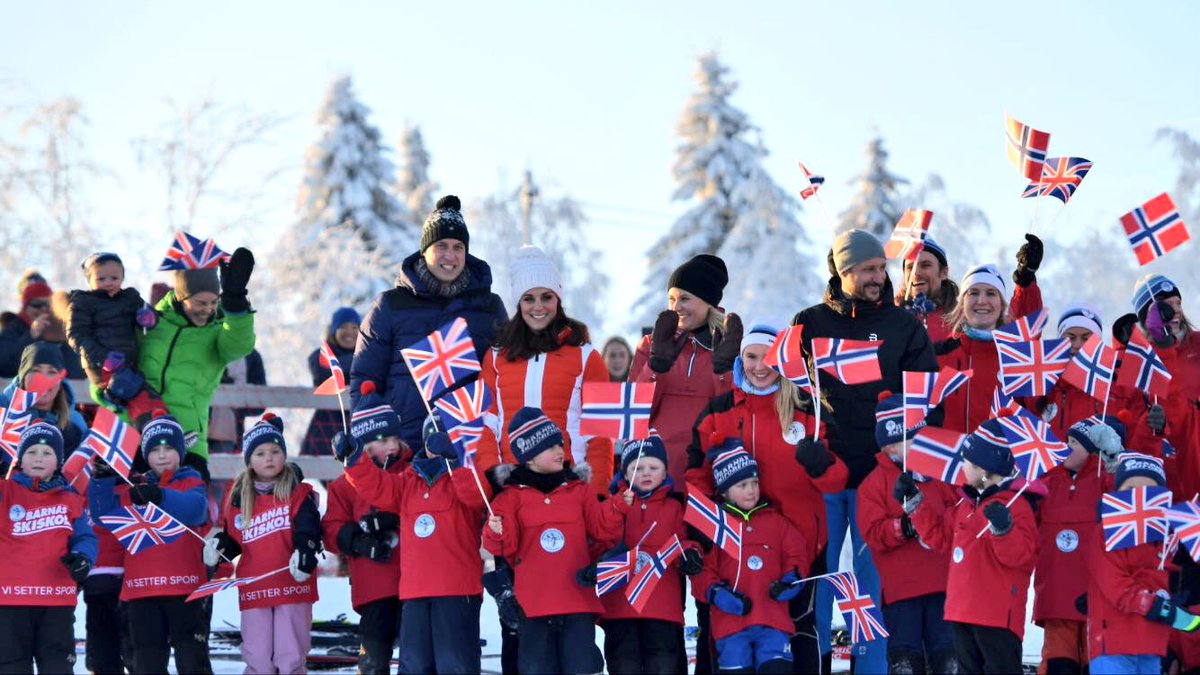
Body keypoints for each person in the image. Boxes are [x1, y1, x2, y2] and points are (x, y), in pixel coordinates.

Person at [792, 229, 937, 672]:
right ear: (843, 270)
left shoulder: (903, 325)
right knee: (819, 578)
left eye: (881, 268)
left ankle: (870, 665)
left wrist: (909, 454)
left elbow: (924, 397)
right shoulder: (810, 322)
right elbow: (792, 394)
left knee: (871, 585)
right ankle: (814, 662)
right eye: (868, 269)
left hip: (879, 477)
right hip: (826, 473)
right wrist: (805, 440)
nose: (879, 277)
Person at [686, 323, 847, 673]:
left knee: (801, 633)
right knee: (727, 633)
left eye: (768, 358)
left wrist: (821, 466)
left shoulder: (807, 408)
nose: (760, 366)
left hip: (799, 547)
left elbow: (836, 481)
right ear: (741, 360)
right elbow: (696, 473)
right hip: (735, 549)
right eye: (751, 357)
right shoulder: (719, 410)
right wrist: (702, 527)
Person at [336, 388, 491, 674]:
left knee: (454, 665)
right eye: (434, 438)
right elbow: (378, 487)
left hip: (457, 590)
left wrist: (456, 460)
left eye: (447, 437)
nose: (438, 444)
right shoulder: (408, 481)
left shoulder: (467, 476)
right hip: (415, 592)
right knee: (415, 666)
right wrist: (354, 460)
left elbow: (475, 498)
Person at [350, 195, 507, 456]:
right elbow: (365, 381)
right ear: (425, 250)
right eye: (441, 246)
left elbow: (507, 376)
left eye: (458, 247)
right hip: (404, 451)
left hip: (468, 447)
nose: (450, 255)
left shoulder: (489, 307)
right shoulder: (390, 306)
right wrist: (374, 440)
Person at [482, 407, 624, 674]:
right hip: (533, 606)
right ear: (529, 457)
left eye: (560, 443)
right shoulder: (510, 497)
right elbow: (504, 547)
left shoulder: (580, 491)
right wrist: (495, 530)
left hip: (576, 602)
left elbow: (602, 530)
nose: (560, 450)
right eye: (550, 447)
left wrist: (616, 507)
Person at [899, 418, 1039, 674]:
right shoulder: (965, 505)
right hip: (962, 611)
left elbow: (1021, 557)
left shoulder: (1016, 506)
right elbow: (940, 538)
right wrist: (915, 505)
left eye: (968, 462)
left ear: (985, 469)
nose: (962, 466)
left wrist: (1003, 530)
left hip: (996, 616)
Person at [476, 245, 613, 494]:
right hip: (513, 485)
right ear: (519, 303)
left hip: (570, 484)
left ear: (558, 299)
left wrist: (597, 494)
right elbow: (485, 423)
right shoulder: (496, 356)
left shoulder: (587, 355)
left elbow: (601, 434)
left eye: (546, 297)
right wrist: (492, 475)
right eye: (529, 298)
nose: (538, 307)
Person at [88, 412, 211, 674]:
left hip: (185, 590)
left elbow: (197, 510)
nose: (162, 455)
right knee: (146, 664)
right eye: (155, 449)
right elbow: (104, 516)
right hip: (141, 593)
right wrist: (101, 479)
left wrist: (160, 496)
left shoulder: (191, 480)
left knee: (193, 662)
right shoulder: (135, 486)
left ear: (181, 450)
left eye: (168, 448)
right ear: (145, 455)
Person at [204, 414, 321, 674]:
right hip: (255, 587)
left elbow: (308, 529)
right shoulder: (238, 496)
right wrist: (219, 549)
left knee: (289, 655)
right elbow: (234, 539)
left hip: (291, 585)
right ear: (249, 460)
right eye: (260, 453)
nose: (268, 458)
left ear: (284, 454)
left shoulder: (297, 492)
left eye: (275, 451)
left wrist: (305, 551)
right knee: (258, 657)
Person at [856, 392, 958, 674]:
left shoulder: (939, 475)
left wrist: (936, 521)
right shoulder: (874, 485)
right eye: (911, 441)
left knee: (948, 659)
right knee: (905, 663)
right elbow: (873, 533)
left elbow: (958, 510)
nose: (919, 447)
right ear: (890, 447)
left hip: (943, 584)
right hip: (901, 590)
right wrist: (903, 527)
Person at [137, 249, 257, 481]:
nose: (208, 309)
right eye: (201, 302)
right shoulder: (152, 323)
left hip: (187, 437)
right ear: (181, 297)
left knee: (188, 508)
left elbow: (240, 344)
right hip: (139, 432)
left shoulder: (217, 332)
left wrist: (235, 300)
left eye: (214, 302)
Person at [693, 440, 810, 674]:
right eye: (743, 484)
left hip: (773, 621)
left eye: (755, 483)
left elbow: (796, 554)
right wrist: (718, 594)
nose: (751, 490)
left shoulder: (776, 521)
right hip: (731, 625)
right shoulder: (716, 526)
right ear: (724, 491)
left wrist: (790, 581)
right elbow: (702, 571)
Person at [587, 437, 699, 674]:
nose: (646, 473)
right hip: (620, 603)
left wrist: (690, 554)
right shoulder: (612, 504)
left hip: (661, 604)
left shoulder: (674, 508)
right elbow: (601, 538)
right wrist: (617, 507)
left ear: (665, 471)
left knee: (663, 663)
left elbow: (683, 542)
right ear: (625, 475)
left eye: (654, 467)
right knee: (623, 662)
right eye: (637, 468)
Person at [629, 254, 738, 492]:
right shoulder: (650, 345)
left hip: (706, 474)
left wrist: (724, 371)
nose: (676, 307)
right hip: (655, 475)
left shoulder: (728, 345)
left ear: (708, 302)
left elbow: (732, 418)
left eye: (685, 298)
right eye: (671, 299)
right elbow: (635, 415)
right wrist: (655, 367)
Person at [1085, 453, 1200, 674]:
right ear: (1117, 492)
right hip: (1114, 641)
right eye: (1130, 489)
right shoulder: (1107, 531)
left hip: (1152, 643)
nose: (1139, 496)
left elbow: (1165, 581)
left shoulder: (1163, 540)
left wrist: (1173, 603)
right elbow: (1113, 583)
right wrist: (1152, 604)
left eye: (1148, 490)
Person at [322, 383, 408, 674]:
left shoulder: (410, 473)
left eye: (395, 437)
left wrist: (393, 519)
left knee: (414, 655)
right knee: (373, 658)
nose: (393, 445)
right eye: (384, 439)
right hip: (374, 586)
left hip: (413, 583)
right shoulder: (344, 485)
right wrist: (357, 540)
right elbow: (331, 530)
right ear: (365, 443)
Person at [0, 423, 97, 674]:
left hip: (55, 602)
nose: (39, 459)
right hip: (9, 601)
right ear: (20, 459)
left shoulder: (70, 498)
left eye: (47, 453)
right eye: (31, 452)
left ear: (59, 460)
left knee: (57, 667)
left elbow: (86, 538)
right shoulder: (4, 491)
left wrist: (83, 558)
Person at [1031, 416, 1114, 674]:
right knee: (1058, 663)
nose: (1067, 446)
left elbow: (1128, 498)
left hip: (1095, 594)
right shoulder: (1046, 482)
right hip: (1056, 594)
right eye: (1066, 440)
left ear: (1090, 450)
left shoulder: (1104, 480)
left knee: (1096, 663)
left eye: (1075, 442)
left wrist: (1114, 459)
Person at [934, 255, 1045, 433]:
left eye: (991, 293)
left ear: (1002, 305)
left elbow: (1028, 328)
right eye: (974, 293)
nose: (982, 301)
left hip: (999, 459)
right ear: (962, 303)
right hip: (946, 458)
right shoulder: (939, 355)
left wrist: (1026, 283)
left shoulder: (1014, 358)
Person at [1114, 275, 1200, 501]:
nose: (1175, 311)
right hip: (1160, 476)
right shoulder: (1135, 361)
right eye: (1164, 306)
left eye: (1177, 303)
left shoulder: (1197, 345)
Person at [65, 252, 164, 421]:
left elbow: (149, 312)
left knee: (137, 396)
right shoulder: (83, 302)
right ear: (90, 280)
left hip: (128, 361)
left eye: (114, 278)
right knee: (140, 395)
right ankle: (156, 426)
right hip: (100, 364)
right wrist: (103, 357)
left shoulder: (129, 297)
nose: (109, 283)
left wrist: (148, 317)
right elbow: (76, 335)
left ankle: (148, 429)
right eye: (101, 279)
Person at [0, 342, 89, 476]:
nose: (43, 379)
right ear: (23, 376)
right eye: (35, 370)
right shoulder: (2, 410)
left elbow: (77, 479)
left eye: (52, 372)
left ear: (60, 380)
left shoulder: (74, 424)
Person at [1031, 304, 1107, 440]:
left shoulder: (1109, 388)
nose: (1077, 344)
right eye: (1071, 337)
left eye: (1086, 338)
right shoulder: (1042, 385)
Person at [303, 306, 360, 456]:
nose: (350, 332)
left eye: (355, 327)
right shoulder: (320, 355)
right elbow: (322, 370)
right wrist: (361, 362)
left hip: (360, 423)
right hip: (328, 428)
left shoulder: (369, 354)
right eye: (343, 327)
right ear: (333, 331)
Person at [896, 237, 958, 343]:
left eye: (925, 265)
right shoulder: (887, 314)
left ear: (944, 273)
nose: (916, 273)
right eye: (910, 267)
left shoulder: (960, 319)